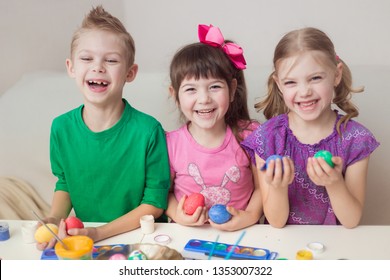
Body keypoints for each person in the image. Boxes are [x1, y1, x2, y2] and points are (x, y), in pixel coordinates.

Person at [37, 6, 170, 250]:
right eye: (87, 58)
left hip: (143, 242)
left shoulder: (149, 131)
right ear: (71, 67)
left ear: (130, 73)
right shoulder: (61, 128)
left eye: (110, 60)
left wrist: (99, 233)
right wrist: (55, 219)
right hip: (86, 242)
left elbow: (154, 203)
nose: (98, 67)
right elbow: (65, 182)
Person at [241, 27, 380, 229]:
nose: (304, 92)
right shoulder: (268, 137)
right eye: (291, 82)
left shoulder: (355, 138)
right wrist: (278, 187)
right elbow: (276, 222)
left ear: (336, 75)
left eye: (315, 78)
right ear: (279, 84)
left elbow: (351, 220)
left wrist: (334, 183)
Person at [165, 24, 262, 231]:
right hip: (187, 238)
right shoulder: (170, 143)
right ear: (175, 95)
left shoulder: (250, 134)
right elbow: (165, 193)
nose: (204, 99)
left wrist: (250, 216)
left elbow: (262, 188)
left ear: (232, 89)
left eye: (215, 87)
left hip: (243, 236)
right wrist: (177, 214)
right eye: (191, 89)